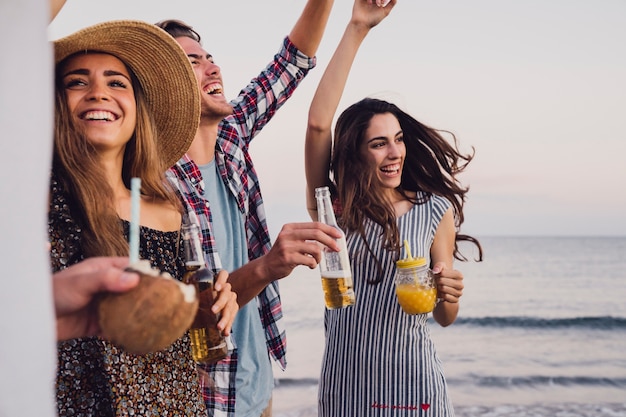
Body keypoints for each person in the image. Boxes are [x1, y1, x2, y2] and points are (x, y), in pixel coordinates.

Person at [155, 1, 341, 415]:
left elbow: (291, 61)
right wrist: (267, 266)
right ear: (164, 85)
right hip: (207, 397)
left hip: (258, 387)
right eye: (193, 63)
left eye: (211, 59)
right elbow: (184, 312)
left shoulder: (230, 138)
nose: (212, 69)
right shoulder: (156, 182)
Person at [49, 20, 238, 415]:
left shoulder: (170, 209)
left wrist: (211, 305)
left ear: (138, 110)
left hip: (175, 405)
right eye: (77, 82)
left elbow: (168, 323)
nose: (99, 92)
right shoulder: (33, 201)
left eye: (117, 83)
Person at [304, 1, 484, 415]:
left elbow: (444, 316)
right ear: (355, 152)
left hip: (415, 388)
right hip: (346, 390)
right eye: (379, 143)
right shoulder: (334, 210)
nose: (395, 152)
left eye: (398, 139)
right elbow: (317, 125)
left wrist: (450, 293)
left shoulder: (435, 210)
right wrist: (357, 28)